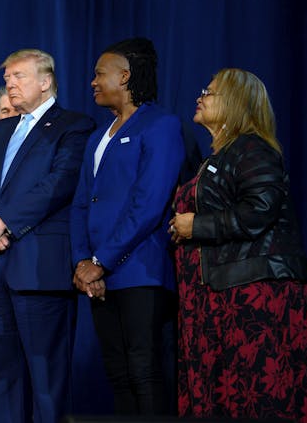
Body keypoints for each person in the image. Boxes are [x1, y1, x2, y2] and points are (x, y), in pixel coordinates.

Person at [169, 68, 307, 422]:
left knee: (256, 396)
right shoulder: (218, 157)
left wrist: (196, 225)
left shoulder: (252, 148)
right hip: (216, 298)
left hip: (252, 298)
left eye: (210, 91)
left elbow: (260, 210)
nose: (200, 96)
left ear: (235, 103)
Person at [0, 49, 95, 423]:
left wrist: (3, 222)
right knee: (2, 380)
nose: (10, 83)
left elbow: (59, 184)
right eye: (7, 79)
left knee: (47, 382)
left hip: (39, 271)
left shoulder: (73, 126)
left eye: (18, 76)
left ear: (45, 81)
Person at [70, 38, 185, 415]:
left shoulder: (161, 125)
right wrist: (82, 263)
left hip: (140, 270)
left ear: (125, 75)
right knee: (117, 373)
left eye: (100, 73)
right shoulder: (95, 138)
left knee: (143, 370)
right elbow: (81, 203)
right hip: (98, 274)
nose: (93, 81)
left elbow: (148, 205)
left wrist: (101, 260)